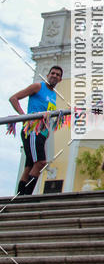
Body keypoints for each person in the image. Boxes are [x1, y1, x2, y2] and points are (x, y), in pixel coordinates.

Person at [10, 66, 63, 196]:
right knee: (40, 162)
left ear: (60, 79)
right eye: (53, 73)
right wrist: (23, 116)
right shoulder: (38, 86)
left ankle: (19, 197)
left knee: (29, 166)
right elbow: (13, 98)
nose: (54, 76)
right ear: (48, 74)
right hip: (33, 130)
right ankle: (26, 196)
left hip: (43, 132)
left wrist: (48, 130)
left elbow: (48, 113)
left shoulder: (53, 95)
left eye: (57, 75)